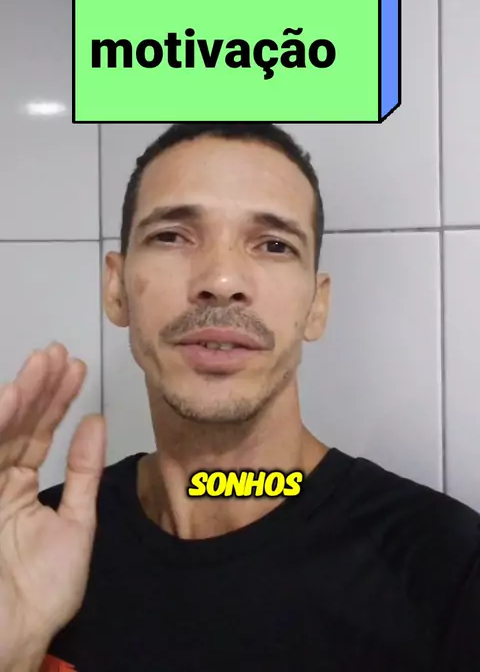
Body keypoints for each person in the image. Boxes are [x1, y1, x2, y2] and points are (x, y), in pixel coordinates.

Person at [0, 122, 479, 672]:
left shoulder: (446, 570)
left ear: (316, 305)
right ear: (116, 288)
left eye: (274, 245)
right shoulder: (30, 550)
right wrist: (14, 648)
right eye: (172, 236)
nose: (222, 279)